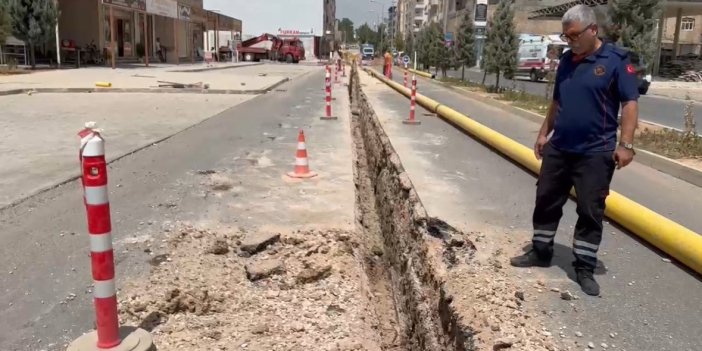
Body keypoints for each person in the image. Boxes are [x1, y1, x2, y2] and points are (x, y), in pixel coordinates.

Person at [509, 4, 640, 297]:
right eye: (566, 36)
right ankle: (541, 251)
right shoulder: (568, 60)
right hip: (560, 147)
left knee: (590, 210)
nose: (570, 41)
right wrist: (544, 134)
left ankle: (584, 266)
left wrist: (626, 144)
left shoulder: (617, 60)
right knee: (545, 199)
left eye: (574, 35)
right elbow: (557, 101)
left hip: (595, 151)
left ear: (593, 30)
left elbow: (630, 103)